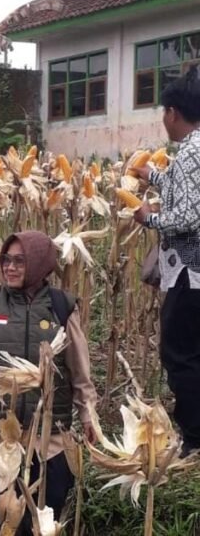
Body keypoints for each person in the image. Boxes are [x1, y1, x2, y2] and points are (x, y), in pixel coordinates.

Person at [0, 231, 97, 536]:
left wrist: (88, 414)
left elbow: (79, 369)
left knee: (45, 519)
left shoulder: (61, 306)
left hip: (50, 441)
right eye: (6, 260)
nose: (10, 267)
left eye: (20, 260)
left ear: (41, 264)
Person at [133, 66, 200, 457]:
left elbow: (189, 217)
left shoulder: (190, 154)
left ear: (174, 113)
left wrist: (148, 218)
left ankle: (193, 437)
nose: (163, 121)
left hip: (189, 273)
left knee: (179, 352)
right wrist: (153, 175)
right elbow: (187, 190)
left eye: (163, 113)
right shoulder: (193, 151)